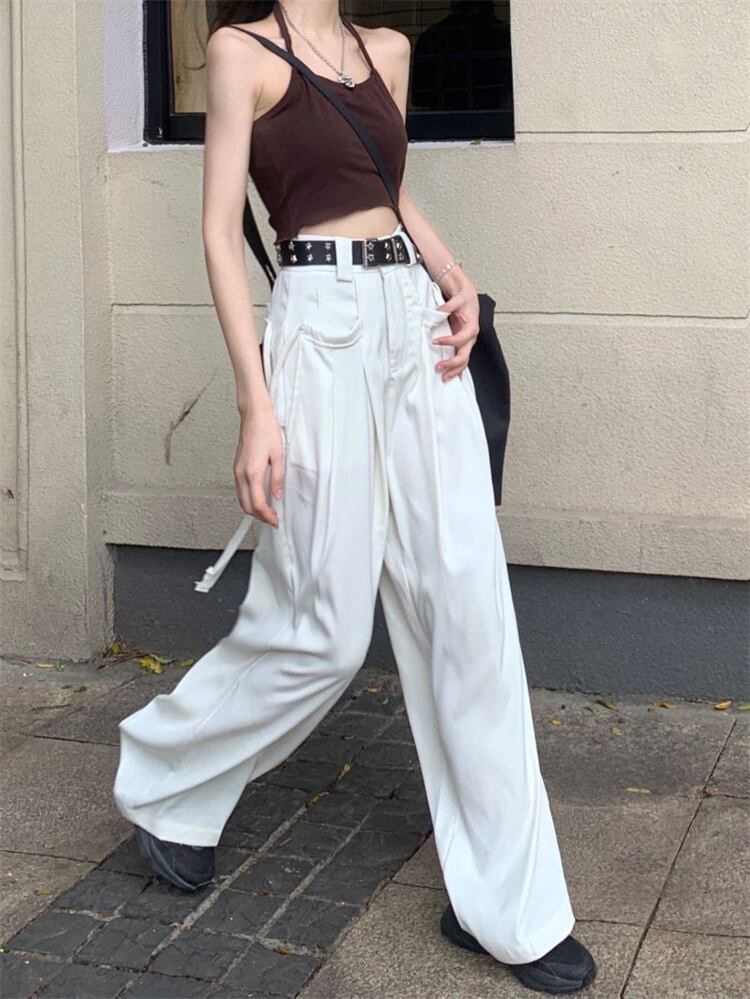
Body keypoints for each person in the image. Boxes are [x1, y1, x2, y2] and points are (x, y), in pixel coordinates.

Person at [112, 1, 596, 992]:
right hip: (317, 325)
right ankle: (167, 777)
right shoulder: (239, 52)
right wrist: (255, 403)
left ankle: (507, 902)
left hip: (415, 325)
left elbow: (393, 191)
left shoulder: (389, 52)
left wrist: (455, 277)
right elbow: (218, 233)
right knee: (322, 627)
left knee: (467, 604)